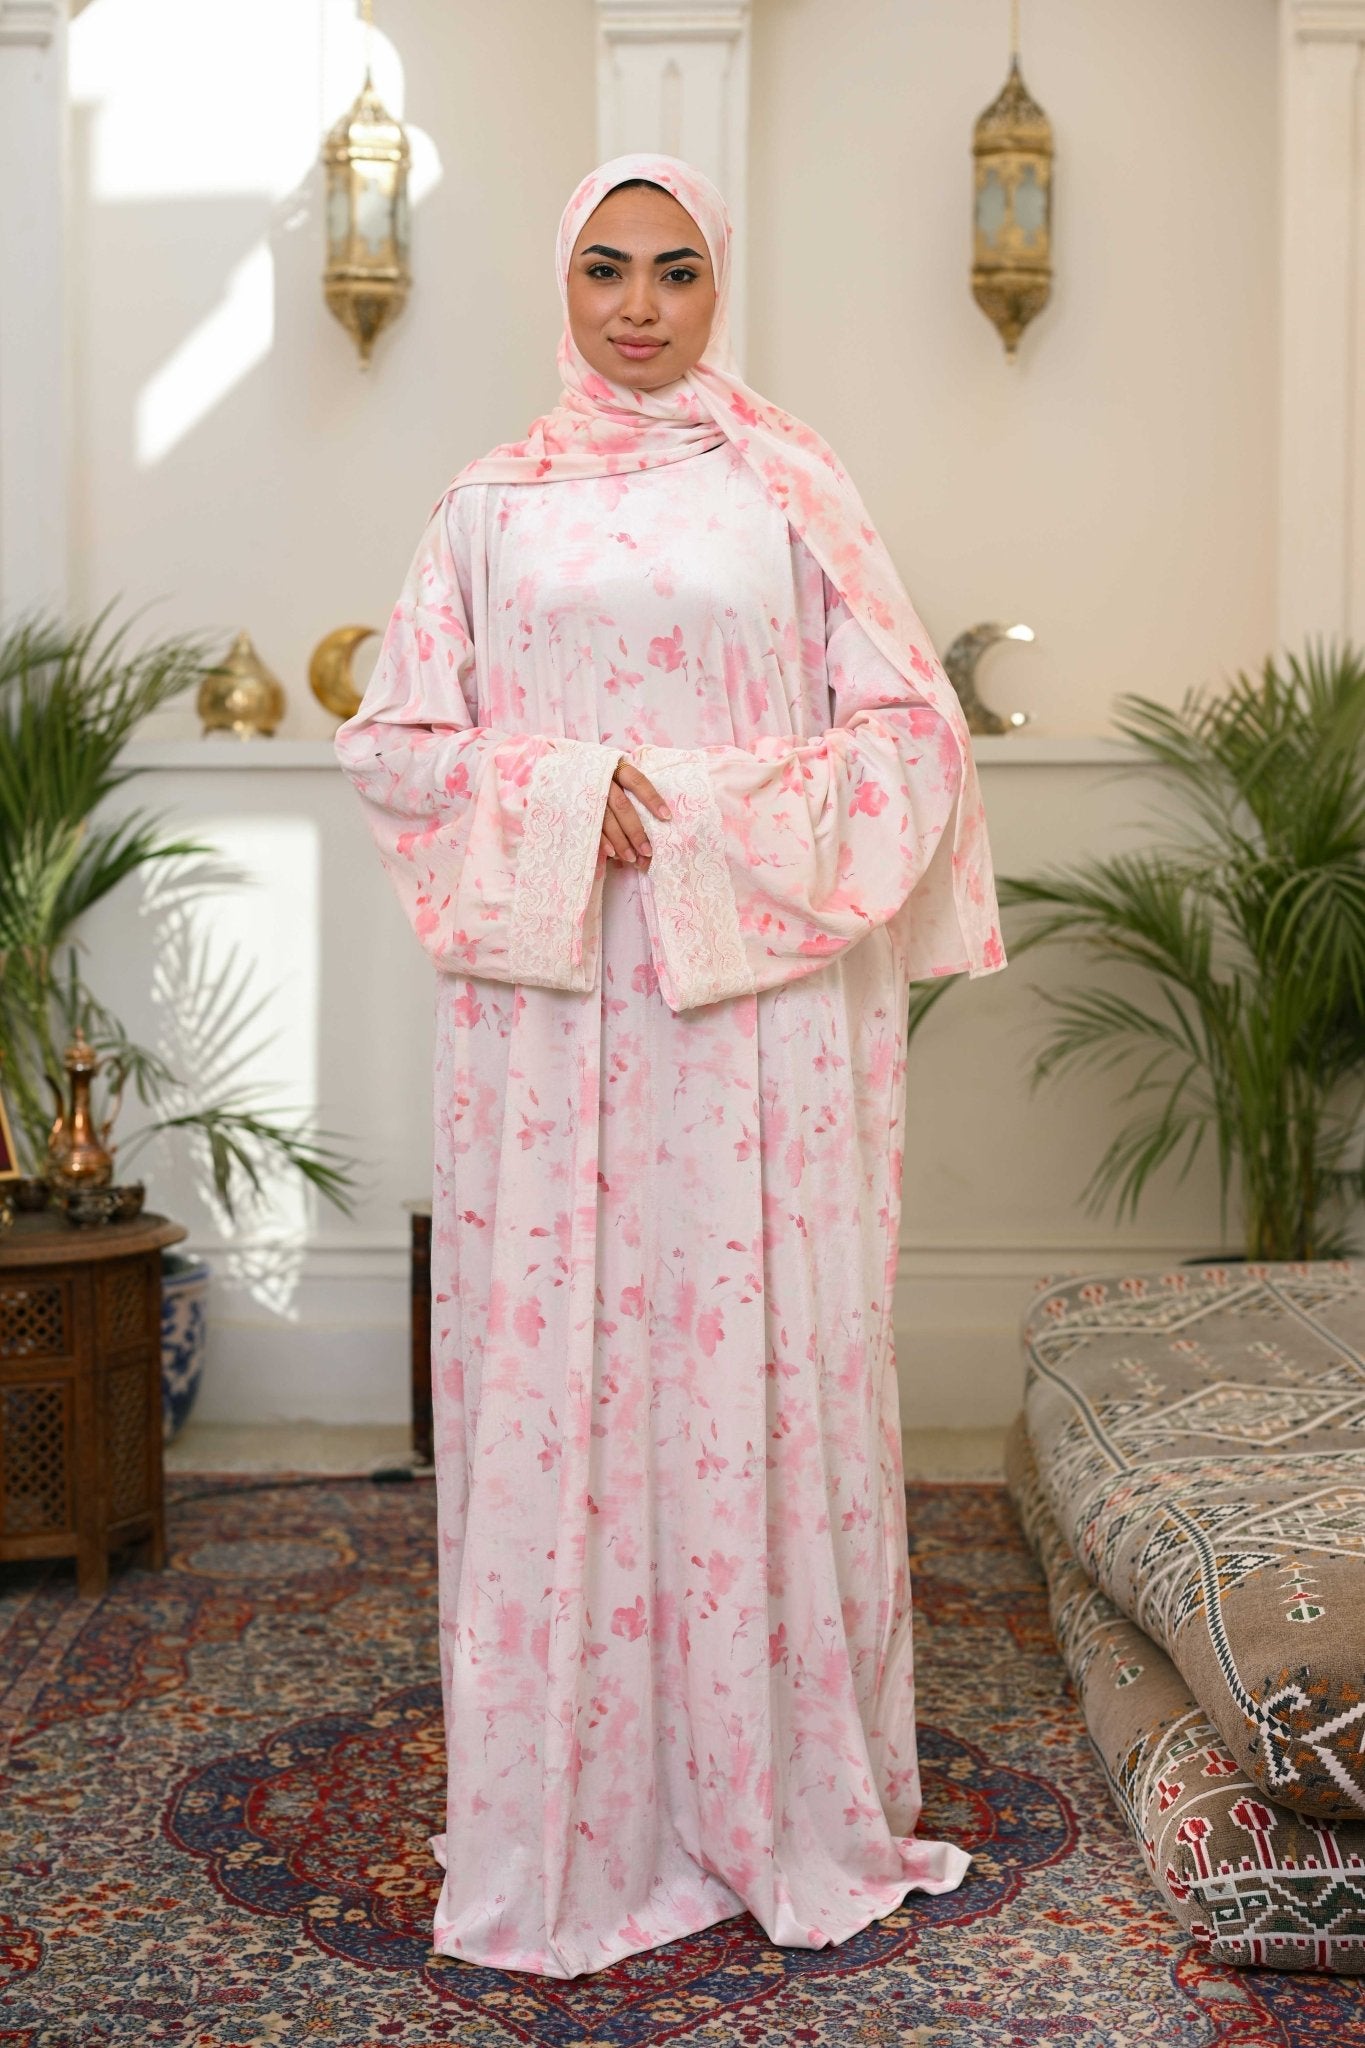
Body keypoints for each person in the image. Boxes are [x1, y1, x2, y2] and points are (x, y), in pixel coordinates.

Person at [336, 152, 1003, 1979]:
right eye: (608, 269)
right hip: (552, 1024)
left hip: (752, 1020)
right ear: (563, 283)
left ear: (720, 285)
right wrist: (565, 793)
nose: (640, 306)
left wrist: (698, 815)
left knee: (753, 1363)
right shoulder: (487, 505)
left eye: (677, 271)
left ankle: (772, 1796)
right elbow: (398, 748)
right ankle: (576, 1819)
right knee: (563, 1372)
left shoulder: (791, 488)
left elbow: (911, 739)